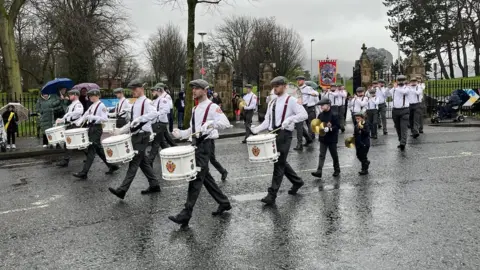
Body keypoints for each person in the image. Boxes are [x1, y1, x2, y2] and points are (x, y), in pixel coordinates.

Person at [168, 79, 232, 227]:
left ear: (205, 90)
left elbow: (226, 123)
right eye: (193, 89)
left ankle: (186, 213)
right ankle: (224, 202)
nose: (193, 91)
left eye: (197, 88)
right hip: (196, 145)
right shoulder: (195, 109)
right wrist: (181, 134)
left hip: (205, 146)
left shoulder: (212, 106)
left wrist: (211, 124)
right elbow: (193, 130)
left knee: (195, 177)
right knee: (205, 178)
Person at [250, 76, 307, 205]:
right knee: (280, 161)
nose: (275, 88)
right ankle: (297, 181)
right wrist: (257, 129)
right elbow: (267, 121)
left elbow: (304, 115)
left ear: (285, 86)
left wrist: (290, 120)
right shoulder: (272, 102)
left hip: (284, 135)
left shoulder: (291, 100)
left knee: (279, 164)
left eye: (277, 86)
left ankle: (272, 194)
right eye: (274, 86)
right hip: (273, 134)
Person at [109, 80, 161, 199]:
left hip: (143, 135)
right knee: (143, 162)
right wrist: (120, 130)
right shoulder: (136, 103)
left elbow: (155, 114)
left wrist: (141, 119)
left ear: (141, 88)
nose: (133, 91)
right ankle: (154, 184)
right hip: (136, 135)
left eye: (135, 89)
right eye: (132, 89)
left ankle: (122, 190)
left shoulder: (147, 102)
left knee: (134, 162)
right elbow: (133, 122)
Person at [72, 89, 119, 179]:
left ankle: (84, 172)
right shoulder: (92, 106)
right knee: (98, 150)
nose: (91, 97)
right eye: (89, 96)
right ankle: (113, 166)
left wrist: (93, 117)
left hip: (96, 128)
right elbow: (85, 115)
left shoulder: (101, 105)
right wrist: (78, 122)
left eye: (93, 96)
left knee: (91, 149)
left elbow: (105, 118)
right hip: (91, 128)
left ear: (98, 96)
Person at [311, 98, 341, 179]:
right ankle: (319, 171)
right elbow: (318, 124)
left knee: (334, 155)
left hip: (332, 139)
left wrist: (331, 129)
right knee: (321, 155)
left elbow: (338, 126)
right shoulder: (320, 115)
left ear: (328, 105)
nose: (321, 107)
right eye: (321, 105)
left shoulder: (334, 114)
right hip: (323, 138)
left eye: (323, 105)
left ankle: (337, 169)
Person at [55, 89, 84, 167]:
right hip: (70, 125)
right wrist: (61, 119)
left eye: (71, 95)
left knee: (69, 143)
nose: (69, 96)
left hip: (74, 126)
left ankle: (65, 161)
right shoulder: (71, 104)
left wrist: (69, 114)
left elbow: (79, 112)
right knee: (76, 143)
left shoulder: (78, 104)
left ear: (76, 95)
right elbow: (68, 116)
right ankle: (89, 155)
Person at [147, 83, 171, 164]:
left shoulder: (163, 99)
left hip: (160, 124)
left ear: (159, 90)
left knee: (156, 143)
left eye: (154, 91)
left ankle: (149, 161)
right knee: (162, 143)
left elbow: (166, 110)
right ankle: (170, 156)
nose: (152, 93)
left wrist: (156, 115)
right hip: (157, 124)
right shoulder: (156, 100)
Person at [387, 75, 410, 151]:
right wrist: (389, 86)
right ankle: (401, 141)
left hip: (404, 110)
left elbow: (404, 92)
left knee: (403, 128)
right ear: (397, 81)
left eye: (402, 80)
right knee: (398, 128)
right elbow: (386, 94)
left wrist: (396, 88)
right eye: (399, 80)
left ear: (405, 81)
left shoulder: (407, 88)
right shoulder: (394, 89)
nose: (401, 82)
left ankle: (403, 143)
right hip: (395, 111)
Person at [294, 76, 316, 150]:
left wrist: (312, 93)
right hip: (298, 107)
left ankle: (299, 144)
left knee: (299, 124)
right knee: (298, 125)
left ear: (303, 81)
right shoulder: (297, 89)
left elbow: (315, 93)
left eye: (299, 80)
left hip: (304, 107)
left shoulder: (307, 88)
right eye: (297, 80)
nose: (298, 81)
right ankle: (308, 139)